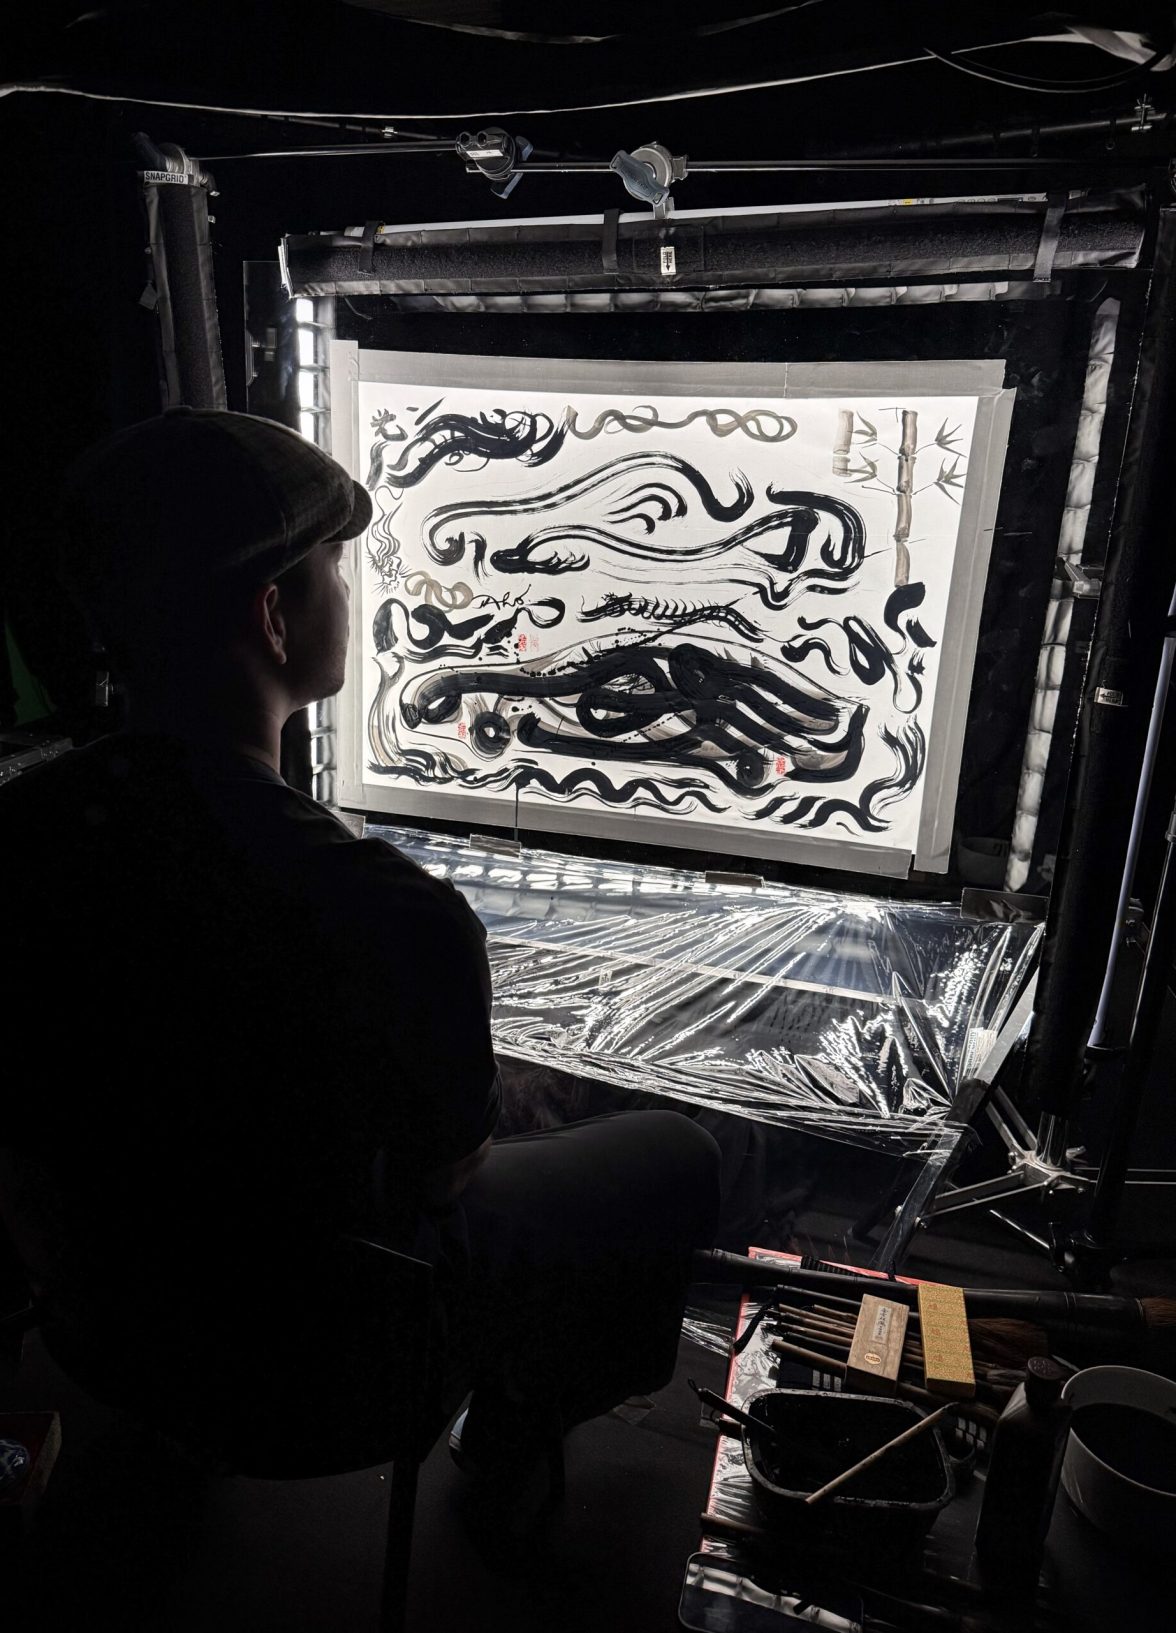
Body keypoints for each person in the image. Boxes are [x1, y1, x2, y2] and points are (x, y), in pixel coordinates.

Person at [0, 407, 721, 1534]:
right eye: (336, 565)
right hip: (335, 1381)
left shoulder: (22, 838)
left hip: (103, 1336)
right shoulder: (391, 913)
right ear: (275, 615)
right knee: (674, 1154)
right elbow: (446, 1178)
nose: (353, 590)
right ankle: (511, 1433)